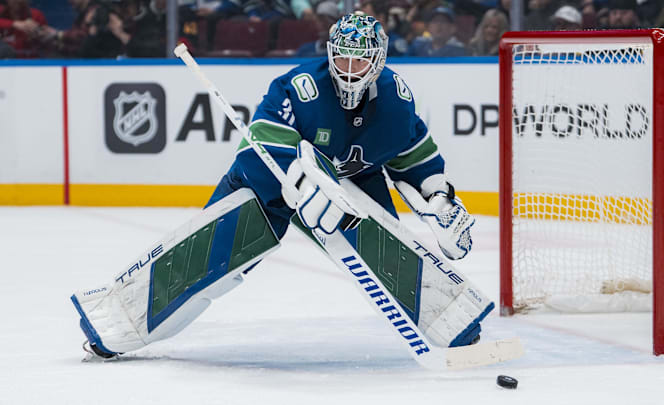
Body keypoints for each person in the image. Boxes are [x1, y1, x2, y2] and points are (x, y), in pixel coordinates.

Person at [79, 12, 477, 360]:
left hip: (354, 183)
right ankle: (119, 323)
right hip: (271, 181)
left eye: (361, 59)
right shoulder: (299, 86)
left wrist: (440, 202)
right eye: (342, 56)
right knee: (216, 257)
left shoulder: (395, 100)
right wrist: (306, 184)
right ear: (329, 52)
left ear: (380, 61)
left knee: (386, 249)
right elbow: (262, 146)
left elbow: (417, 157)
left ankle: (450, 316)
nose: (350, 67)